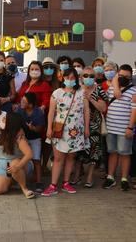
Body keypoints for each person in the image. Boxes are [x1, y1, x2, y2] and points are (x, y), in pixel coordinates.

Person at [42, 67, 90, 196]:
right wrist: (49, 128)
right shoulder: (57, 93)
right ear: (63, 78)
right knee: (58, 158)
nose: (70, 80)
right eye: (67, 78)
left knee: (71, 157)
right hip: (59, 129)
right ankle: (52, 185)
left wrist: (86, 128)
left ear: (76, 78)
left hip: (76, 130)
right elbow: (51, 112)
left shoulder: (82, 92)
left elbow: (86, 111)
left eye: (72, 78)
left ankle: (66, 182)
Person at [0, 112, 35, 199]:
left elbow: (29, 154)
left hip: (20, 166)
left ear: (10, 123)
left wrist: (17, 167)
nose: (2, 119)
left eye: (5, 119)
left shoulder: (19, 136)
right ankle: (12, 181)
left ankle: (24, 188)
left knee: (13, 164)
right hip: (3, 168)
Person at [72, 66, 108, 187]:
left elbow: (103, 108)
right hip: (78, 125)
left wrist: (90, 99)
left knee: (94, 152)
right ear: (81, 78)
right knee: (78, 152)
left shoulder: (99, 90)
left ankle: (89, 178)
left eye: (92, 76)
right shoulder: (76, 90)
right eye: (86, 75)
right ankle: (77, 176)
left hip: (94, 126)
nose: (89, 78)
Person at [104, 64, 136, 191]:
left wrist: (130, 127)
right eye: (121, 75)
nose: (123, 78)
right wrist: (116, 83)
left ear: (130, 77)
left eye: (126, 76)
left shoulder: (134, 90)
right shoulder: (111, 89)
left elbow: (134, 111)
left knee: (125, 153)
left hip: (124, 128)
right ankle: (110, 177)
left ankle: (124, 179)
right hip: (110, 127)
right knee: (112, 152)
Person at [16, 92, 45, 192]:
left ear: (31, 104)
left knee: (36, 160)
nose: (21, 102)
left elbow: (40, 129)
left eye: (24, 101)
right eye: (22, 100)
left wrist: (32, 128)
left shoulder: (38, 113)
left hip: (35, 138)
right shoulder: (19, 110)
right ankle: (22, 181)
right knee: (21, 159)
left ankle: (39, 182)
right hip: (23, 138)